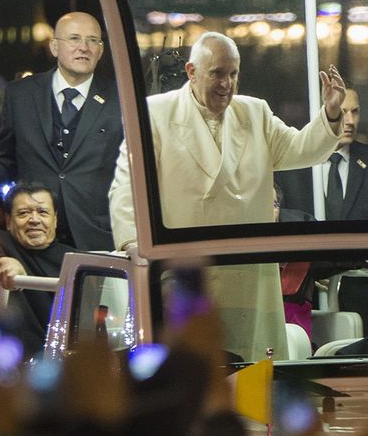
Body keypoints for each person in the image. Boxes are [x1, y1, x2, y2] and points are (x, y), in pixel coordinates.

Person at [108, 31, 347, 360]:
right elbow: (126, 185)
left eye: (233, 74)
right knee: (190, 375)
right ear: (191, 72)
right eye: (217, 73)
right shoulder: (155, 113)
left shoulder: (255, 112)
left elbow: (300, 150)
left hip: (248, 277)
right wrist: (135, 247)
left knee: (251, 378)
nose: (226, 84)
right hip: (183, 276)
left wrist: (331, 113)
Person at [0, 11, 122, 250]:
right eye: (74, 39)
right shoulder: (20, 94)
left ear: (101, 50)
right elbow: (6, 162)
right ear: (54, 47)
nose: (84, 47)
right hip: (32, 239)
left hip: (98, 240)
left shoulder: (122, 99)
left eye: (93, 40)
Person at [0, 181, 76, 357]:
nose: (34, 220)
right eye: (23, 213)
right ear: (8, 221)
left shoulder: (73, 258)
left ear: (55, 219)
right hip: (15, 358)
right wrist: (3, 261)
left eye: (43, 212)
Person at [275, 87, 368, 221]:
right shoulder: (290, 165)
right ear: (321, 115)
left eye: (355, 112)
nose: (350, 121)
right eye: (341, 112)